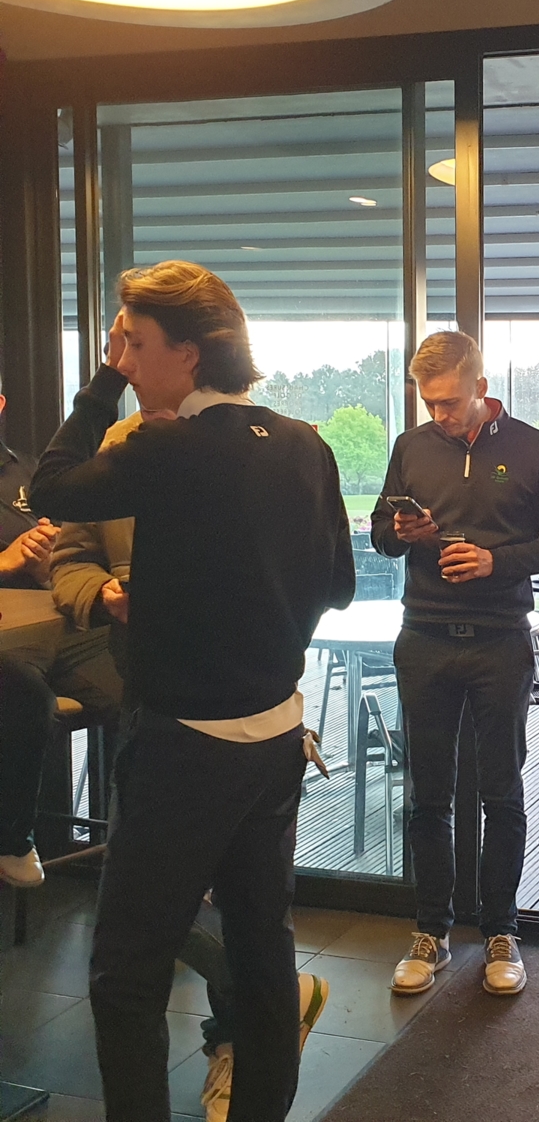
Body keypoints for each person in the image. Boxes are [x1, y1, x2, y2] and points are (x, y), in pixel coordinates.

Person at [29, 260, 355, 1122]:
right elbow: (338, 584)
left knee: (126, 974)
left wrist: (101, 385)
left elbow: (48, 487)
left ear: (192, 352)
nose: (128, 362)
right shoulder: (305, 443)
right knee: (262, 953)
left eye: (136, 346)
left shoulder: (165, 446)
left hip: (183, 745)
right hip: (276, 737)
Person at [371, 331, 539, 999]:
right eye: (428, 402)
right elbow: (379, 534)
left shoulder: (533, 448)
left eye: (450, 402)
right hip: (424, 634)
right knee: (426, 794)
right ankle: (430, 930)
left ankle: (501, 931)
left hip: (500, 639)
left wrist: (495, 560)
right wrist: (400, 532)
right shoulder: (411, 447)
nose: (439, 415)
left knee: (502, 793)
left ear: (481, 387)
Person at [0, 376, 123, 889]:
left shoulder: (28, 471)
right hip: (9, 638)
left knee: (146, 686)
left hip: (57, 624)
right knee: (24, 695)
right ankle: (12, 838)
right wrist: (5, 561)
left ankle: (150, 849)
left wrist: (49, 559)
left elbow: (71, 553)